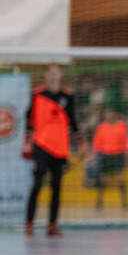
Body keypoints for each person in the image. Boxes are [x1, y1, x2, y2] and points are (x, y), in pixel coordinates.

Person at [24, 63, 82, 238]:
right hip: (41, 145)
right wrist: (27, 141)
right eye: (50, 73)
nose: (53, 75)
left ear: (60, 75)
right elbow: (29, 119)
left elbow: (73, 121)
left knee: (57, 187)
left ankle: (52, 225)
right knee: (38, 182)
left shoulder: (68, 96)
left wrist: (81, 143)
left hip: (60, 148)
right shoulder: (37, 94)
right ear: (46, 76)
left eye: (56, 72)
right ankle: (29, 223)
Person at [91, 108, 128, 210]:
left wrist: (127, 156)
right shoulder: (102, 127)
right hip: (106, 155)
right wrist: (95, 157)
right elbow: (97, 143)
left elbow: (125, 142)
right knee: (103, 179)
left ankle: (125, 203)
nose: (109, 115)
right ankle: (99, 202)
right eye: (107, 113)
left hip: (118, 154)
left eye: (111, 112)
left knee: (121, 178)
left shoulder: (121, 126)